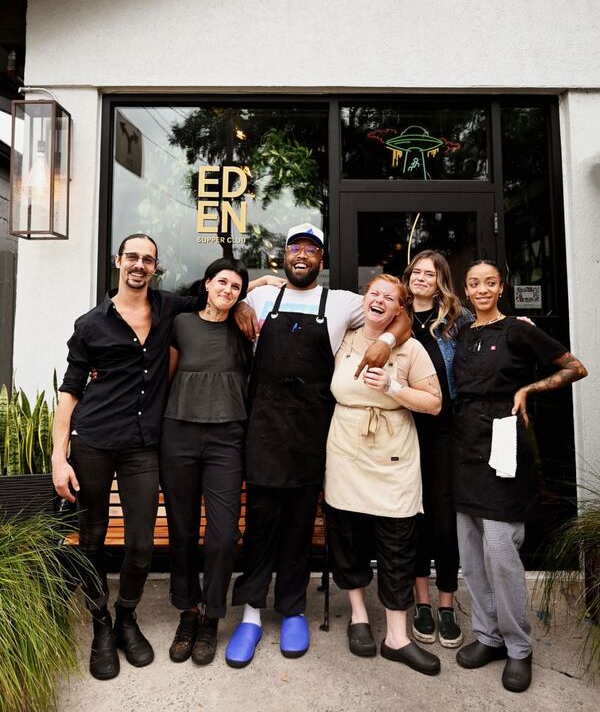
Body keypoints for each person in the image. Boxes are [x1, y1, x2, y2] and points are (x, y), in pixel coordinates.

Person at [51, 234, 276, 681]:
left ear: (156, 268)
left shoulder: (171, 310)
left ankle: (159, 617)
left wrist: (249, 297)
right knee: (107, 538)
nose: (139, 265)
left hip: (153, 443)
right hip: (103, 439)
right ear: (118, 261)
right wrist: (59, 456)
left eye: (147, 259)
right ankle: (112, 625)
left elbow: (225, 295)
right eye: (131, 257)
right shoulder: (95, 323)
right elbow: (71, 390)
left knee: (156, 543)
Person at [225, 223, 412, 668]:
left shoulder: (343, 302)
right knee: (261, 524)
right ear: (284, 257)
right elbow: (218, 293)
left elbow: (401, 318)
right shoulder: (262, 298)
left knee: (298, 524)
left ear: (322, 260)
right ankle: (251, 613)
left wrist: (385, 341)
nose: (303, 255)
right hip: (265, 423)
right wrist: (252, 289)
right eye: (295, 249)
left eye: (312, 249)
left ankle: (292, 609)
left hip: (312, 428)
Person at [452, 260, 587, 693]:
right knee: (471, 551)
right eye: (474, 284)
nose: (482, 289)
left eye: (489, 282)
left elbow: (575, 367)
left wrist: (530, 388)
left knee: (501, 551)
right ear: (466, 290)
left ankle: (518, 646)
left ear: (501, 287)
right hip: (466, 444)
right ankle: (488, 636)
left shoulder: (520, 329)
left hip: (505, 441)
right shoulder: (465, 332)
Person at [324, 274, 443, 676]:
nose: (379, 300)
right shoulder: (344, 336)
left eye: (389, 297)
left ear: (398, 309)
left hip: (394, 454)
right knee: (348, 536)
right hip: (345, 450)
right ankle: (358, 615)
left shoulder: (412, 349)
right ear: (364, 301)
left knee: (397, 544)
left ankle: (397, 636)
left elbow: (434, 403)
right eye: (374, 293)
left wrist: (393, 386)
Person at [159, 258, 252, 666]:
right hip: (178, 433)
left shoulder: (243, 327)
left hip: (227, 438)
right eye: (223, 282)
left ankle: (212, 615)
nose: (228, 291)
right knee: (181, 532)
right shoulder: (180, 323)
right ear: (208, 283)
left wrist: (248, 303)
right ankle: (188, 612)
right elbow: (163, 376)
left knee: (221, 534)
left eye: (236, 287)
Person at [402, 250, 472, 649]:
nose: (422, 278)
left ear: (441, 279)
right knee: (413, 517)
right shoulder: (397, 314)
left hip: (445, 429)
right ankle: (421, 602)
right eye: (417, 272)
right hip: (404, 427)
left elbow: (491, 330)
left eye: (430, 274)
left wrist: (520, 323)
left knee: (444, 520)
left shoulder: (456, 319)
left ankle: (447, 603)